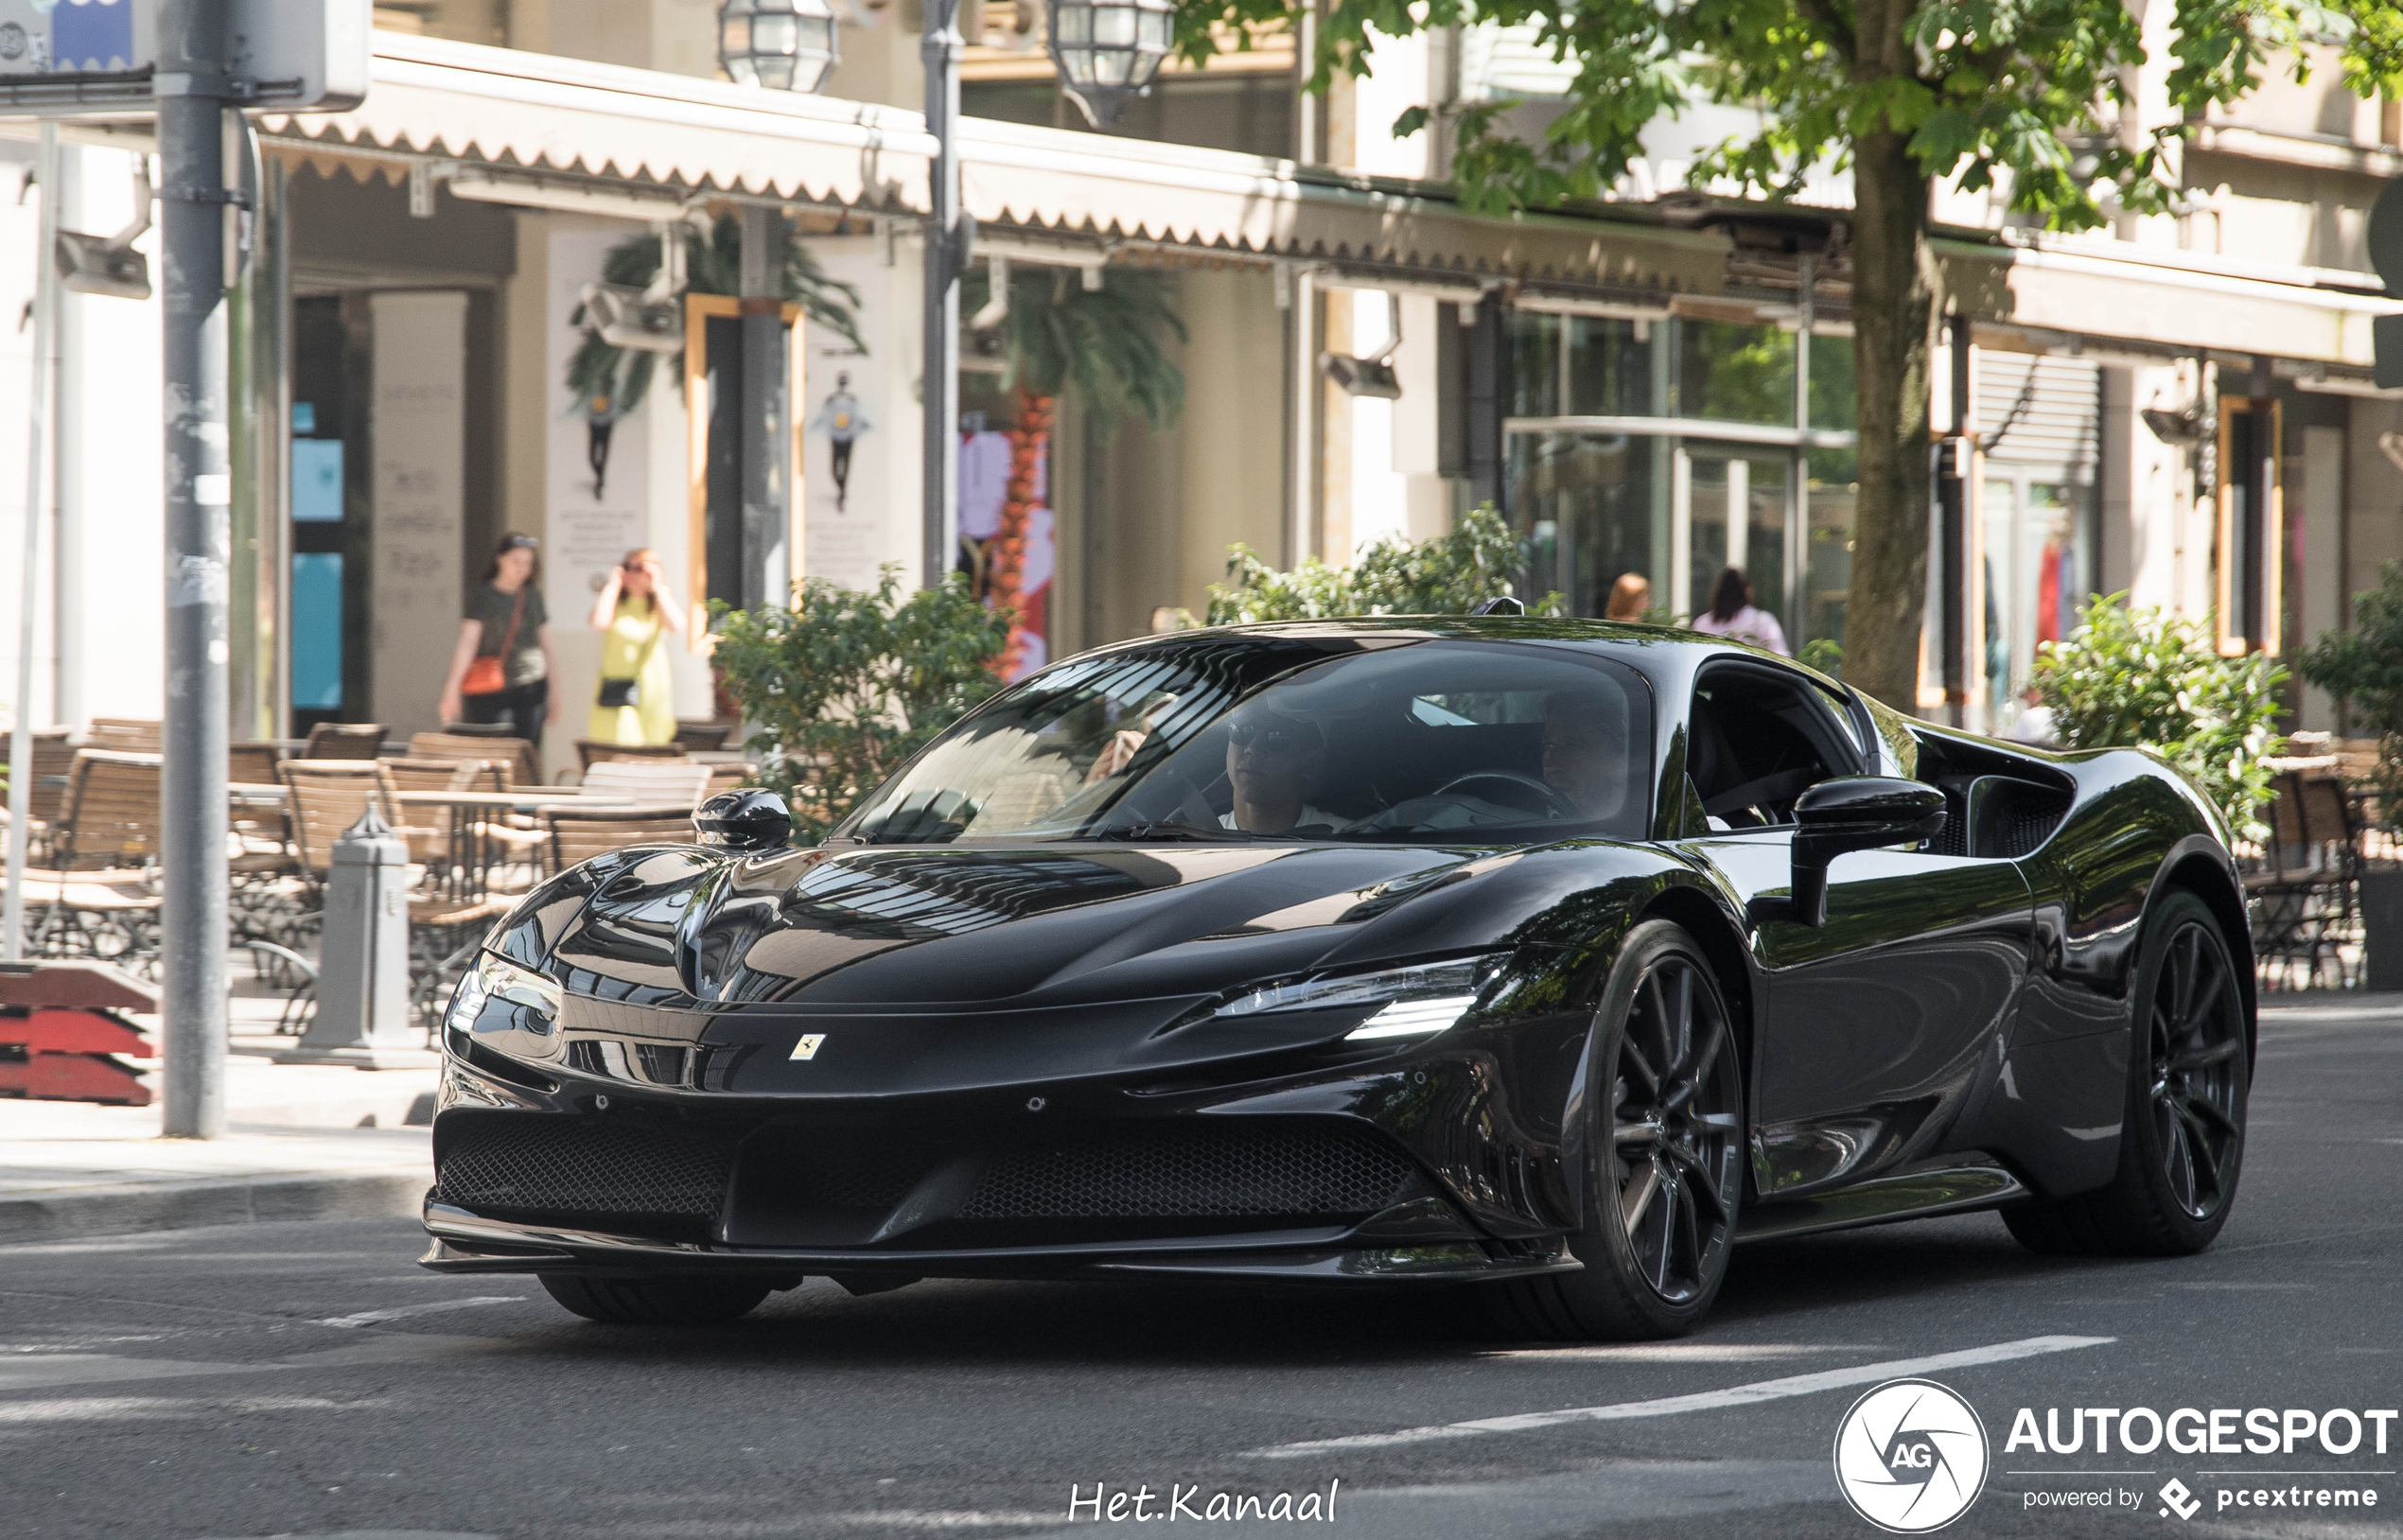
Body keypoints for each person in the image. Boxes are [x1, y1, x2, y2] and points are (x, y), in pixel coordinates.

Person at [439, 534, 558, 746]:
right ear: (500, 559)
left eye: (527, 563)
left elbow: (546, 646)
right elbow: (468, 642)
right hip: (489, 685)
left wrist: (555, 693)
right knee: (490, 749)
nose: (521, 568)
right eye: (516, 561)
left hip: (530, 683)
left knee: (526, 752)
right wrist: (452, 688)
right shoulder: (482, 595)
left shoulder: (532, 596)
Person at [587, 548, 684, 745]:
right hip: (617, 689)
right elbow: (598, 622)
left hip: (651, 688)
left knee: (650, 747)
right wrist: (613, 585)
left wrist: (657, 586)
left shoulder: (657, 605)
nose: (631, 573)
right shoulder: (616, 603)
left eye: (638, 568)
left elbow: (677, 626)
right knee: (617, 745)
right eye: (626, 567)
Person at [1219, 705, 1342, 834]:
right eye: (1242, 730)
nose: (1253, 748)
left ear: (1311, 762)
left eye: (1277, 737)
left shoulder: (1346, 844)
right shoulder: (1198, 837)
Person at [1541, 689, 1632, 820]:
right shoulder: (1521, 825)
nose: (1549, 765)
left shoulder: (1650, 828)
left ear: (1621, 760)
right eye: (1548, 746)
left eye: (1573, 747)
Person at [1690, 567, 1790, 656]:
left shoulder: (1702, 623)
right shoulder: (1762, 621)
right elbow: (1781, 657)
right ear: (1747, 592)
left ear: (1718, 593)